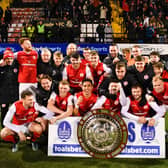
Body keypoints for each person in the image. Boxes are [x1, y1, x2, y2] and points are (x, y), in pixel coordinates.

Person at [0, 48, 19, 127]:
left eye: (11, 58)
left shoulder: (16, 65)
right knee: (4, 110)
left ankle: (16, 126)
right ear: (4, 59)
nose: (9, 60)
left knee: (17, 110)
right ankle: (4, 126)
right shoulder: (1, 68)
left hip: (15, 92)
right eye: (7, 58)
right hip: (3, 93)